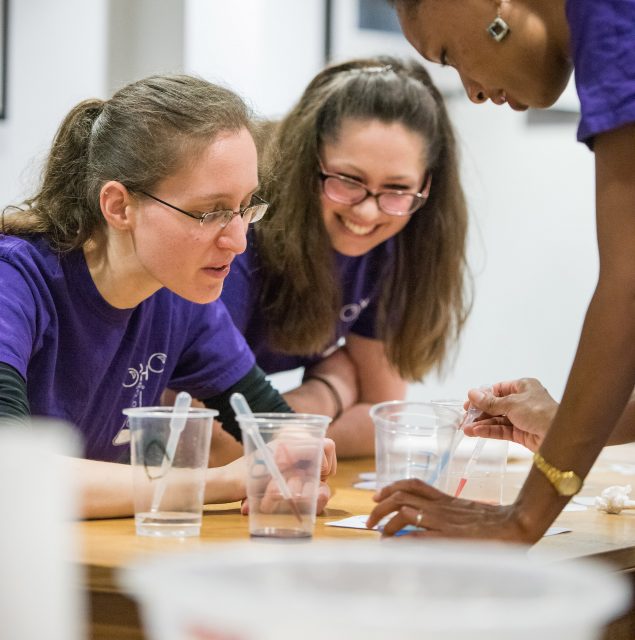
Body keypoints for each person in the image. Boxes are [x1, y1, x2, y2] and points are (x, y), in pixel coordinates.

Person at [0, 74, 335, 519]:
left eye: (245, 207)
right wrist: (221, 482)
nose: (237, 240)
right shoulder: (15, 280)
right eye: (210, 212)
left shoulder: (178, 296)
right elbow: (12, 476)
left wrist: (297, 458)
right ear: (118, 206)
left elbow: (271, 426)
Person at [368, 0, 635, 542]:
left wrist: (523, 516)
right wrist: (564, 426)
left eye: (448, 54)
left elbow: (628, 288)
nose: (471, 89)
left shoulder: (613, 19)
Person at [221, 56, 471, 457]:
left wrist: (280, 428)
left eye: (397, 189)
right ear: (308, 161)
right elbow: (206, 441)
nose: (368, 212)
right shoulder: (240, 231)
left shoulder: (393, 246)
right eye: (348, 181)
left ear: (427, 185)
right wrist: (332, 389)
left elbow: (381, 420)